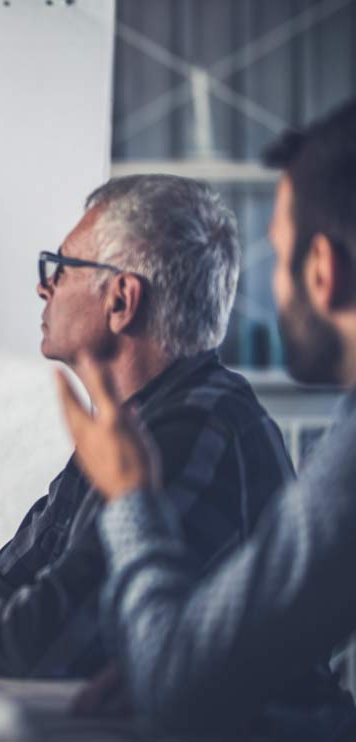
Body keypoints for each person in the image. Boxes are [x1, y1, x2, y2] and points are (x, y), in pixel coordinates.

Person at [0, 175, 318, 686]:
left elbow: (44, 634)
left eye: (62, 267)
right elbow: (6, 581)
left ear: (121, 300)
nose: (43, 286)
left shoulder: (190, 431)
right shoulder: (136, 423)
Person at [59, 101, 356, 737]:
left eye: (277, 259)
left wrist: (130, 493)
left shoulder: (207, 424)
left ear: (323, 271)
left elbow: (179, 683)